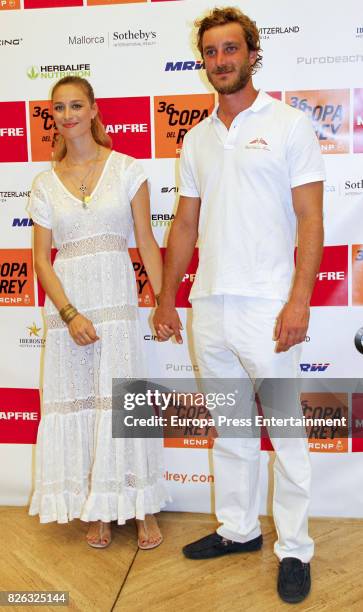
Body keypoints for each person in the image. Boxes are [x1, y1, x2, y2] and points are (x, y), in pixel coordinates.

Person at [153, 7, 325, 604]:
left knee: (287, 433)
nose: (220, 61)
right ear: (203, 61)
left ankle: (296, 548)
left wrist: (298, 300)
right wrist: (170, 298)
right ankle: (239, 529)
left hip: (269, 307)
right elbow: (184, 224)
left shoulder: (289, 123)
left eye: (231, 49)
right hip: (211, 307)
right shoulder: (196, 138)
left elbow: (311, 219)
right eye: (211, 52)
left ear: (252, 54)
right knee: (231, 430)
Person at [28, 76, 168, 549]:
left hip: (116, 308)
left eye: (75, 106)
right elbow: (41, 261)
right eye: (59, 108)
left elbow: (146, 240)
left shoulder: (128, 169)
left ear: (92, 110)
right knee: (85, 404)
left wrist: (164, 298)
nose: (67, 115)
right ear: (54, 116)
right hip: (70, 311)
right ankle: (97, 507)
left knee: (124, 404)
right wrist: (68, 314)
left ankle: (140, 503)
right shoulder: (44, 184)